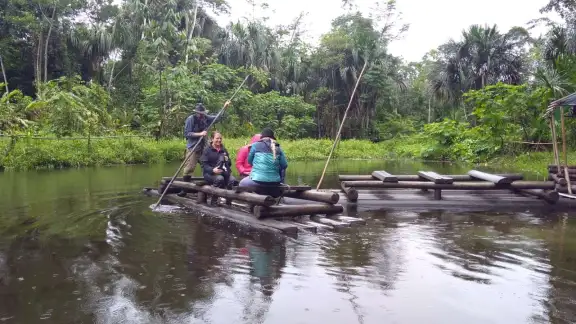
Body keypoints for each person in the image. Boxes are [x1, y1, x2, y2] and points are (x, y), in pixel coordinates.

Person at [182, 101, 229, 181]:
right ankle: (184, 188)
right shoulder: (191, 119)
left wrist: (224, 108)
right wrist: (200, 134)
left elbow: (217, 118)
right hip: (194, 147)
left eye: (202, 113)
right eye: (200, 113)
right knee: (189, 168)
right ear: (196, 113)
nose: (201, 115)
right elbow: (187, 134)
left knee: (208, 165)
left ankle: (210, 181)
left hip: (204, 147)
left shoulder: (205, 117)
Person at [239, 128, 288, 197]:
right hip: (275, 182)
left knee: (241, 183)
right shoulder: (278, 147)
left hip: (258, 180)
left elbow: (249, 161)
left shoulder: (255, 145)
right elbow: (284, 165)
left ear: (262, 137)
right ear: (272, 138)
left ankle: (251, 201)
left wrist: (259, 166)